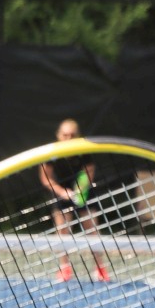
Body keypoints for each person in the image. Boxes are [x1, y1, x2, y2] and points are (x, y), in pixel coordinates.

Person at [38, 118, 110, 283]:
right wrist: (63, 193)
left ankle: (100, 268)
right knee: (62, 231)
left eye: (72, 135)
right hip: (61, 192)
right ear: (58, 135)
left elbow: (88, 173)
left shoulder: (84, 151)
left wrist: (79, 191)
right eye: (65, 135)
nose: (68, 138)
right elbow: (46, 178)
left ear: (78, 135)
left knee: (92, 231)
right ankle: (65, 268)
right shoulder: (51, 153)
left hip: (84, 192)